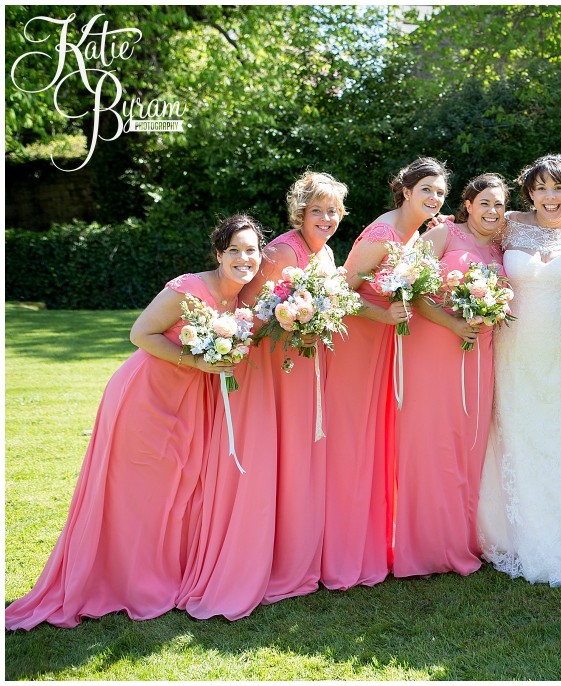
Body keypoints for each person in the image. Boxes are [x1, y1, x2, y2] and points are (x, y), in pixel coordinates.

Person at [5, 215, 263, 630]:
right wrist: (198, 360)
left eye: (251, 250)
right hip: (145, 397)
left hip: (191, 402)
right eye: (234, 249)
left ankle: (161, 576)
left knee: (179, 491)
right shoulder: (188, 289)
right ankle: (118, 583)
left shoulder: (240, 300)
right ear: (218, 253)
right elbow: (140, 333)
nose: (243, 258)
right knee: (135, 493)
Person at [177, 173, 346, 616]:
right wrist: (292, 328)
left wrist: (316, 327)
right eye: (318, 210)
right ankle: (260, 559)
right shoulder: (281, 251)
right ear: (300, 213)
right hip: (270, 370)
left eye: (333, 210)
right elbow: (246, 310)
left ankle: (297, 555)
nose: (326, 218)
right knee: (276, 458)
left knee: (302, 458)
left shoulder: (325, 251)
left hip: (304, 367)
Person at [476, 153, 561, 587]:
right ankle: (517, 536)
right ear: (529, 193)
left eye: (559, 188)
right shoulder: (510, 225)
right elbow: (471, 236)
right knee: (519, 435)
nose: (550, 196)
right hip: (514, 351)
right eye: (541, 189)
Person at [322, 157, 449, 588]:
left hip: (384, 345)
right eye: (427, 190)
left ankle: (375, 539)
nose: (434, 198)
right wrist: (382, 315)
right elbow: (341, 291)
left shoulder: (417, 232)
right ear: (406, 190)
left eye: (440, 192)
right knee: (353, 443)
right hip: (357, 344)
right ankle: (342, 548)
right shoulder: (382, 233)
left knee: (377, 442)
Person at [388, 173, 508, 577]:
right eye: (484, 203)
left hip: (478, 353)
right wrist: (451, 323)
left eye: (499, 205)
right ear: (468, 205)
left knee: (468, 445)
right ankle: (422, 549)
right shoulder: (442, 236)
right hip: (435, 348)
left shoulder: (499, 248)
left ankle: (459, 542)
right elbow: (406, 287)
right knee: (432, 444)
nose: (492, 211)